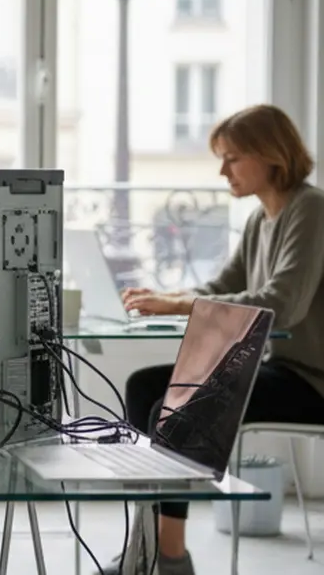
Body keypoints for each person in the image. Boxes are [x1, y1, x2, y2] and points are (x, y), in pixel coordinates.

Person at [107, 103, 324, 575]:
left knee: (181, 402)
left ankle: (169, 557)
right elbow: (221, 287)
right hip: (280, 369)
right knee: (145, 385)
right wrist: (165, 296)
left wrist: (181, 305)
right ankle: (143, 546)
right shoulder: (259, 219)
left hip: (312, 382)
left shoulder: (310, 209)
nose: (223, 170)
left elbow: (282, 303)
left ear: (271, 155)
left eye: (232, 157)